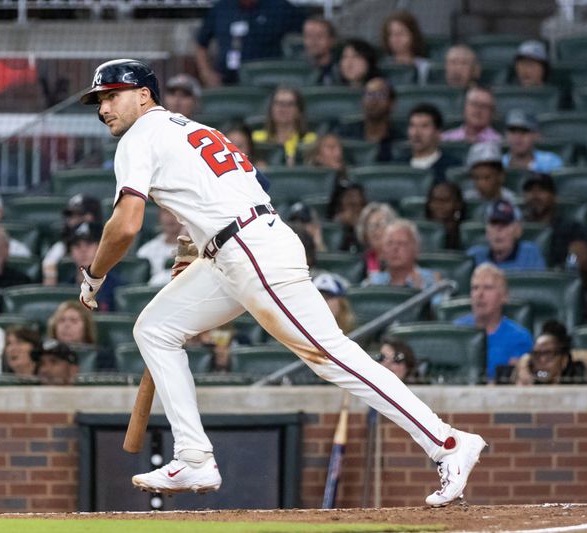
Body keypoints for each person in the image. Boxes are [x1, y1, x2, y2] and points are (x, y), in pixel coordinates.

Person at [77, 58, 486, 505]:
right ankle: (193, 456)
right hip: (238, 244)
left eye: (112, 95)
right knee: (155, 327)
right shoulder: (192, 128)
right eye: (99, 100)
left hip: (250, 250)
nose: (103, 108)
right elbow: (245, 185)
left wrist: (94, 275)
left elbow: (125, 224)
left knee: (331, 355)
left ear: (144, 95)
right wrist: (191, 245)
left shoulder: (139, 136)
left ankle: (447, 442)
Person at [194, 0, 304, 86]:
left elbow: (306, 29)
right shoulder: (221, 8)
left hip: (265, 82)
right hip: (227, 80)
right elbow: (201, 44)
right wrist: (206, 73)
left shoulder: (279, 7)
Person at [453, 263, 533, 381]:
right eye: (475, 288)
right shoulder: (456, 331)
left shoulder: (520, 338)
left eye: (488, 288)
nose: (480, 294)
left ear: (504, 296)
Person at [521, 172, 587, 275]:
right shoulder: (517, 229)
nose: (535, 196)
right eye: (530, 191)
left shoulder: (572, 228)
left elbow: (581, 262)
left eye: (541, 190)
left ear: (554, 196)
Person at [467, 199, 546, 272]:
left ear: (518, 230)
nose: (498, 230)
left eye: (504, 224)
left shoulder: (530, 255)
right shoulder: (475, 257)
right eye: (494, 224)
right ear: (487, 231)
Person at [364, 219, 442, 293]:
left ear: (416, 249)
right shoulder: (373, 282)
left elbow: (439, 305)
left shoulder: (431, 280)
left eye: (402, 243)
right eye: (389, 243)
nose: (394, 249)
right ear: (382, 251)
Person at [336, 77, 401, 162]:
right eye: (369, 95)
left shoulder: (399, 141)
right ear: (362, 101)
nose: (373, 100)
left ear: (392, 103)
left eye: (380, 95)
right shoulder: (345, 136)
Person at [42, 194, 102, 286]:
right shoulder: (62, 245)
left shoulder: (106, 240)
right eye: (71, 216)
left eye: (79, 215)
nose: (73, 220)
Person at [513, 320, 587, 385]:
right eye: (537, 354)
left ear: (564, 360)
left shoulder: (578, 377)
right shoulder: (530, 375)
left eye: (548, 354)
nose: (542, 360)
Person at [252, 86, 316, 166]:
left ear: (299, 111)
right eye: (278, 103)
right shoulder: (256, 139)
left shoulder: (311, 141)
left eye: (290, 104)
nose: (283, 109)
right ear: (271, 109)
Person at [65, 221, 121, 312]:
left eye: (89, 244)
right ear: (70, 251)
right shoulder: (66, 288)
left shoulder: (118, 288)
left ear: (100, 248)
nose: (83, 250)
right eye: (77, 246)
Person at [405, 103, 460, 184]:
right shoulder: (398, 166)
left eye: (424, 126)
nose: (416, 133)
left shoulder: (452, 167)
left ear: (438, 132)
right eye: (412, 126)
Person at [502, 110, 563, 174]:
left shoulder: (550, 162)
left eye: (524, 131)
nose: (518, 137)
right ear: (505, 135)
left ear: (536, 135)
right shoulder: (497, 164)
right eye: (513, 131)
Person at [136, 208, 186, 286]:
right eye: (166, 212)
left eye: (175, 212)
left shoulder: (198, 248)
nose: (170, 218)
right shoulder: (146, 250)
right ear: (159, 215)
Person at [463, 142, 517, 214]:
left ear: (501, 176)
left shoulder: (512, 201)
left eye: (487, 178)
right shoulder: (466, 200)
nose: (480, 183)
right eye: (476, 178)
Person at [380, 10, 430, 84]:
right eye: (391, 34)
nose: (396, 39)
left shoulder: (425, 67)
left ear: (413, 35)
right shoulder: (381, 67)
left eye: (401, 33)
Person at [356, 202, 398, 277]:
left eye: (382, 224)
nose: (376, 230)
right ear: (365, 232)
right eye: (371, 226)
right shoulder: (357, 264)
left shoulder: (402, 259)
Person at [425, 181, 465, 250]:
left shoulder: (464, 233)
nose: (439, 205)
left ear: (458, 204)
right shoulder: (421, 231)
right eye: (435, 200)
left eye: (445, 200)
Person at [327, 181, 366, 252]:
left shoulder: (369, 226)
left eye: (355, 205)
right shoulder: (330, 227)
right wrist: (336, 224)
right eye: (348, 196)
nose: (352, 200)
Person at [303, 16, 338, 86]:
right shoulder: (297, 67)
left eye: (319, 36)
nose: (313, 41)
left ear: (332, 40)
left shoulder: (342, 69)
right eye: (309, 36)